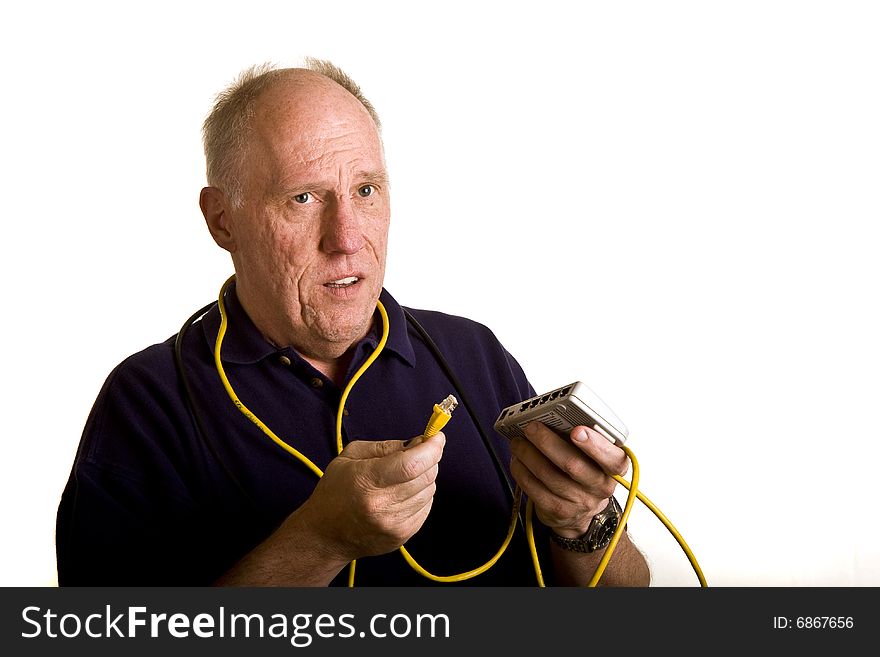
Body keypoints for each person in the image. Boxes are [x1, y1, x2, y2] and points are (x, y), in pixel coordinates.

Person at [56, 58, 651, 587]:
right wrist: (318, 543)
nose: (346, 239)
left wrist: (582, 524)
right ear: (222, 221)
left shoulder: (472, 352)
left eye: (365, 189)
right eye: (303, 198)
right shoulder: (147, 402)